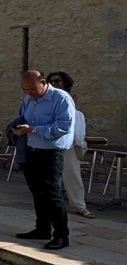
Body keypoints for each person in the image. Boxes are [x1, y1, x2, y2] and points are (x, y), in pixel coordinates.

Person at [11, 70, 74, 250]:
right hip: (32, 150)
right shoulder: (28, 99)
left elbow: (63, 126)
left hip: (51, 153)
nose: (28, 93)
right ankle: (42, 228)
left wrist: (34, 129)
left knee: (52, 194)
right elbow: (24, 117)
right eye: (25, 90)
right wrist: (19, 127)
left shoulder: (61, 98)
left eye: (32, 89)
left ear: (44, 82)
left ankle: (61, 235)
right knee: (37, 192)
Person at [46, 71, 93, 217]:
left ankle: (80, 206)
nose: (54, 84)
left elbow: (72, 114)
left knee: (72, 174)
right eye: (51, 82)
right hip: (50, 141)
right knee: (49, 174)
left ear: (65, 82)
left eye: (57, 81)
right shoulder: (48, 99)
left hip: (68, 143)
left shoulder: (73, 97)